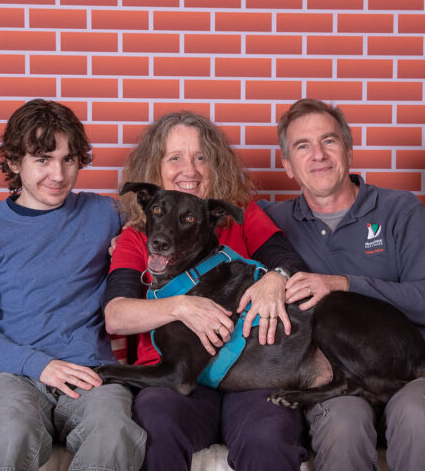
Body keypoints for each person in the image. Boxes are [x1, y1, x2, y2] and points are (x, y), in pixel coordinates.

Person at [103, 111, 309, 471]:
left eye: (201, 158)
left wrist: (275, 278)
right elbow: (116, 316)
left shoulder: (239, 215)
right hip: (168, 373)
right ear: (156, 166)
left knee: (269, 435)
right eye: (176, 158)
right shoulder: (139, 237)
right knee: (157, 423)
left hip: (252, 374)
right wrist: (182, 306)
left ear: (215, 165)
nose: (191, 169)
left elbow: (288, 262)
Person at [260, 98, 425, 471]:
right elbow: (208, 229)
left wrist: (344, 284)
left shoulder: (399, 210)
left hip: (411, 371)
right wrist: (136, 234)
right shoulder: (273, 220)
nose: (318, 155)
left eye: (329, 141)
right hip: (336, 380)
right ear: (287, 165)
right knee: (344, 426)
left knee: (416, 417)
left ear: (348, 150)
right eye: (303, 146)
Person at [0, 99, 146, 470]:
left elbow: (165, 228)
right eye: (43, 159)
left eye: (68, 159)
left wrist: (131, 246)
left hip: (90, 372)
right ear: (15, 163)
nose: (59, 175)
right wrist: (40, 365)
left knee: (114, 431)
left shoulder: (106, 213)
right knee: (10, 432)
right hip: (10, 374)